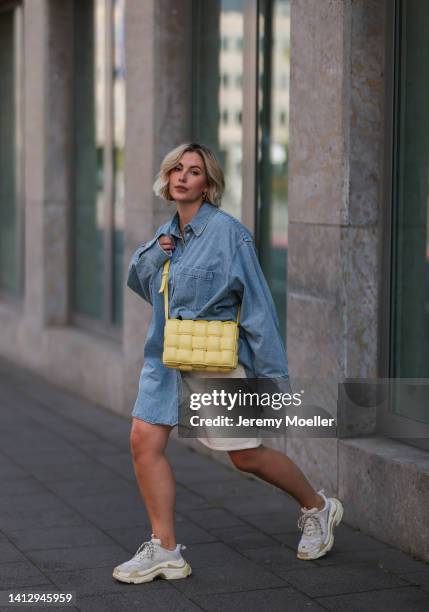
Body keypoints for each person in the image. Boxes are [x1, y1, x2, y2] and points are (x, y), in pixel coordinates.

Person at [112, 142, 343, 584]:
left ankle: (317, 506)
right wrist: (159, 250)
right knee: (144, 441)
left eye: (194, 171)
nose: (183, 176)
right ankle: (164, 550)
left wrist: (273, 378)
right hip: (165, 360)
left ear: (209, 184)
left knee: (246, 457)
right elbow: (139, 283)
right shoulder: (167, 235)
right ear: (167, 178)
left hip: (213, 360)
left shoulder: (229, 234)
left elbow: (257, 307)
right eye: (177, 168)